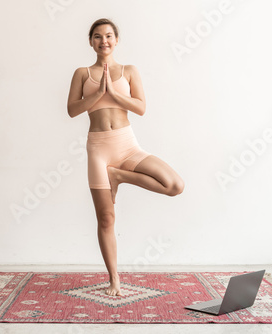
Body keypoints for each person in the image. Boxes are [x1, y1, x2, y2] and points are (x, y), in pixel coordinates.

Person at [67, 18, 184, 296]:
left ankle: (119, 176)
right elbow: (72, 110)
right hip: (98, 149)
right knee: (106, 218)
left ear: (116, 40)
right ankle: (114, 280)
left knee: (175, 185)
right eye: (97, 36)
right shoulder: (82, 73)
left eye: (108, 36)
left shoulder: (129, 71)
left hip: (127, 145)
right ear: (90, 41)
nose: (103, 41)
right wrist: (98, 93)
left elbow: (141, 108)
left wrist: (113, 94)